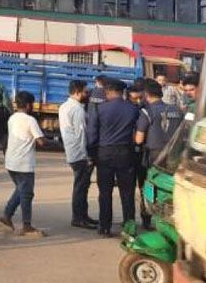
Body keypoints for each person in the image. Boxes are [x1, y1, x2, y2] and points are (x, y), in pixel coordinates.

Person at [87, 78, 139, 237]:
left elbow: (92, 134)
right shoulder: (133, 109)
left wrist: (91, 154)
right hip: (125, 153)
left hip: (104, 154)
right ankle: (129, 228)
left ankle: (104, 227)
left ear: (107, 92)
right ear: (122, 92)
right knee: (127, 192)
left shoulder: (99, 109)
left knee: (105, 192)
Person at [134, 79, 183, 228]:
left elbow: (139, 139)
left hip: (153, 157)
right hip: (173, 157)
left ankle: (148, 220)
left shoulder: (146, 111)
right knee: (169, 188)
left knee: (149, 187)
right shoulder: (176, 109)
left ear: (146, 94)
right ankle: (171, 220)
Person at [0, 91, 47, 237]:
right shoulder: (30, 120)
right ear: (28, 105)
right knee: (26, 194)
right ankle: (26, 225)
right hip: (24, 163)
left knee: (21, 190)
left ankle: (7, 215)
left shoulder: (12, 118)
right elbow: (41, 141)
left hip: (11, 162)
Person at [58, 80, 97, 230]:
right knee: (81, 187)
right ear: (77, 92)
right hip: (79, 153)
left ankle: (83, 216)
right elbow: (81, 134)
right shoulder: (78, 110)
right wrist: (86, 155)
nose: (86, 95)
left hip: (71, 151)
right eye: (85, 92)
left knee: (81, 185)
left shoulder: (64, 107)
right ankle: (79, 217)